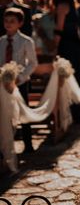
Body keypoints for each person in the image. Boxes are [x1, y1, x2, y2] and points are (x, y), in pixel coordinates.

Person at [0, 8, 38, 152]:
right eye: (6, 21)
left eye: (12, 21)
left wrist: (21, 77)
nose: (8, 24)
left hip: (19, 82)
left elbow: (33, 63)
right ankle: (5, 145)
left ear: (20, 23)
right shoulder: (1, 41)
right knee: (3, 113)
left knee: (22, 111)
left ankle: (28, 144)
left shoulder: (26, 41)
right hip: (3, 83)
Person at [51, 0, 80, 85]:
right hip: (75, 43)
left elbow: (59, 27)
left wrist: (55, 45)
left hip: (66, 43)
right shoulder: (74, 7)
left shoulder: (62, 6)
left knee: (66, 71)